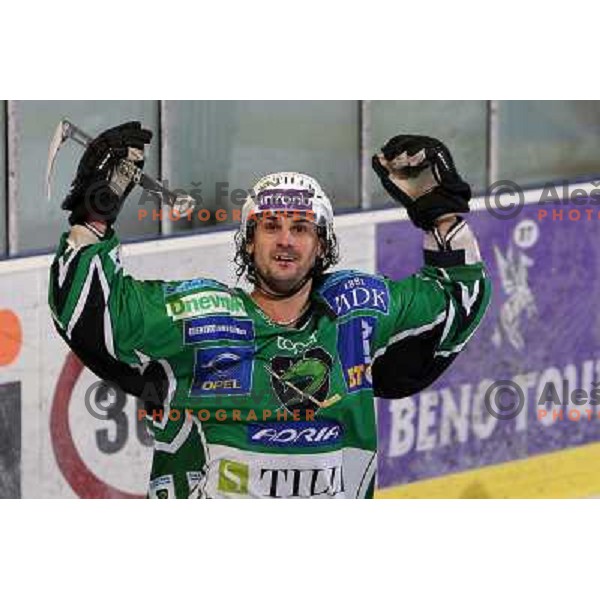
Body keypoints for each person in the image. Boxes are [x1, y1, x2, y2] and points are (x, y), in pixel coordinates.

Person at [48, 122, 491, 499]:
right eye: (271, 226)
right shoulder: (195, 321)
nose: (285, 240)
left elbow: (457, 302)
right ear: (248, 240)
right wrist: (94, 216)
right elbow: (88, 314)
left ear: (321, 245)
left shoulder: (357, 315)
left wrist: (443, 216)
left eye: (301, 228)